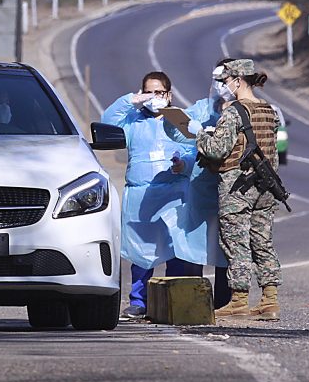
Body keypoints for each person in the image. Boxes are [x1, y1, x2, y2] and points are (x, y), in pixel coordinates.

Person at [101, 71, 202, 318]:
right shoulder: (133, 122)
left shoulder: (180, 120)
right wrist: (131, 101)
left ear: (169, 94)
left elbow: (195, 149)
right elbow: (106, 122)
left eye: (159, 92)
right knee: (142, 252)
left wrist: (184, 165)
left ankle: (172, 301)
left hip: (174, 194)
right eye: (149, 92)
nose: (154, 97)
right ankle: (139, 301)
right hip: (141, 196)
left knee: (177, 249)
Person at [195, 59, 282, 321]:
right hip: (266, 186)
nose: (224, 86)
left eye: (226, 81)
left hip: (237, 186)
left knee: (237, 242)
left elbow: (216, 150)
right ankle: (270, 301)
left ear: (238, 81)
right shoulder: (269, 110)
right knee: (262, 241)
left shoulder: (233, 112)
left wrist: (199, 134)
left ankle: (239, 301)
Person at [163, 59, 236, 308]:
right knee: (195, 247)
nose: (222, 86)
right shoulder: (203, 109)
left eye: (227, 80)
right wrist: (169, 114)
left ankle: (225, 304)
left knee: (227, 249)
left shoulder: (245, 109)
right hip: (202, 187)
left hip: (232, 188)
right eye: (219, 81)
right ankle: (195, 305)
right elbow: (177, 131)